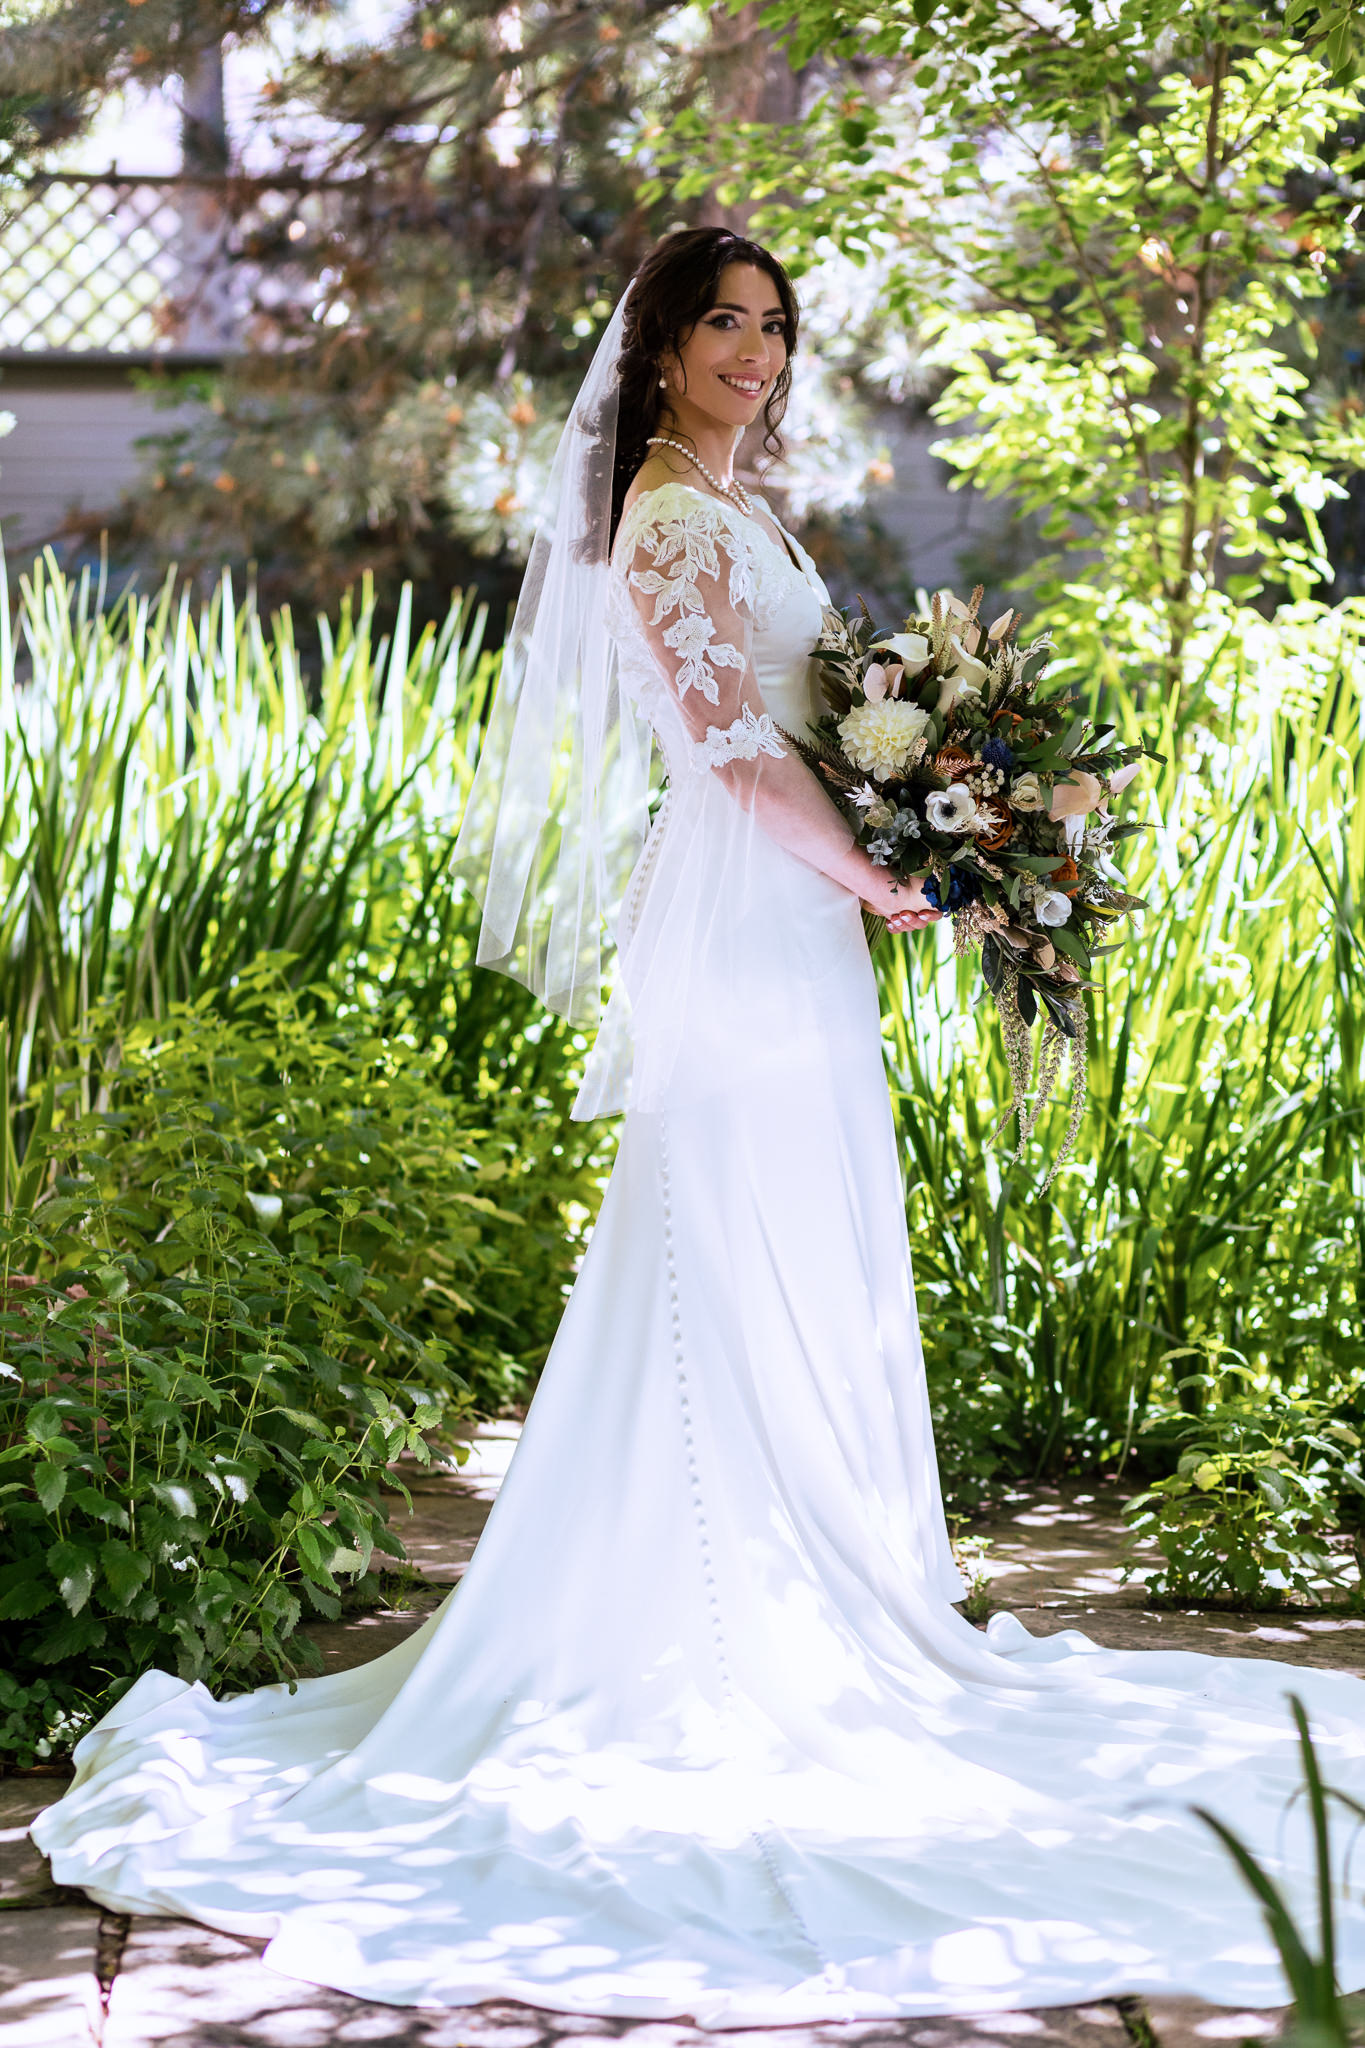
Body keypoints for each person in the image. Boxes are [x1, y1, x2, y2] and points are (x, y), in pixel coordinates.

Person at [33, 226, 1365, 2026]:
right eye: (721, 322)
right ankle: (706, 1622)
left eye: (771, 325)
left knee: (798, 1247)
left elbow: (812, 731)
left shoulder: (740, 510)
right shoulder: (665, 519)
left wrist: (917, 821)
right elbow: (735, 755)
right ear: (658, 350)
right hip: (744, 930)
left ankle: (824, 1588)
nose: (752, 347)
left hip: (794, 927)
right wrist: (889, 875)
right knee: (721, 1250)